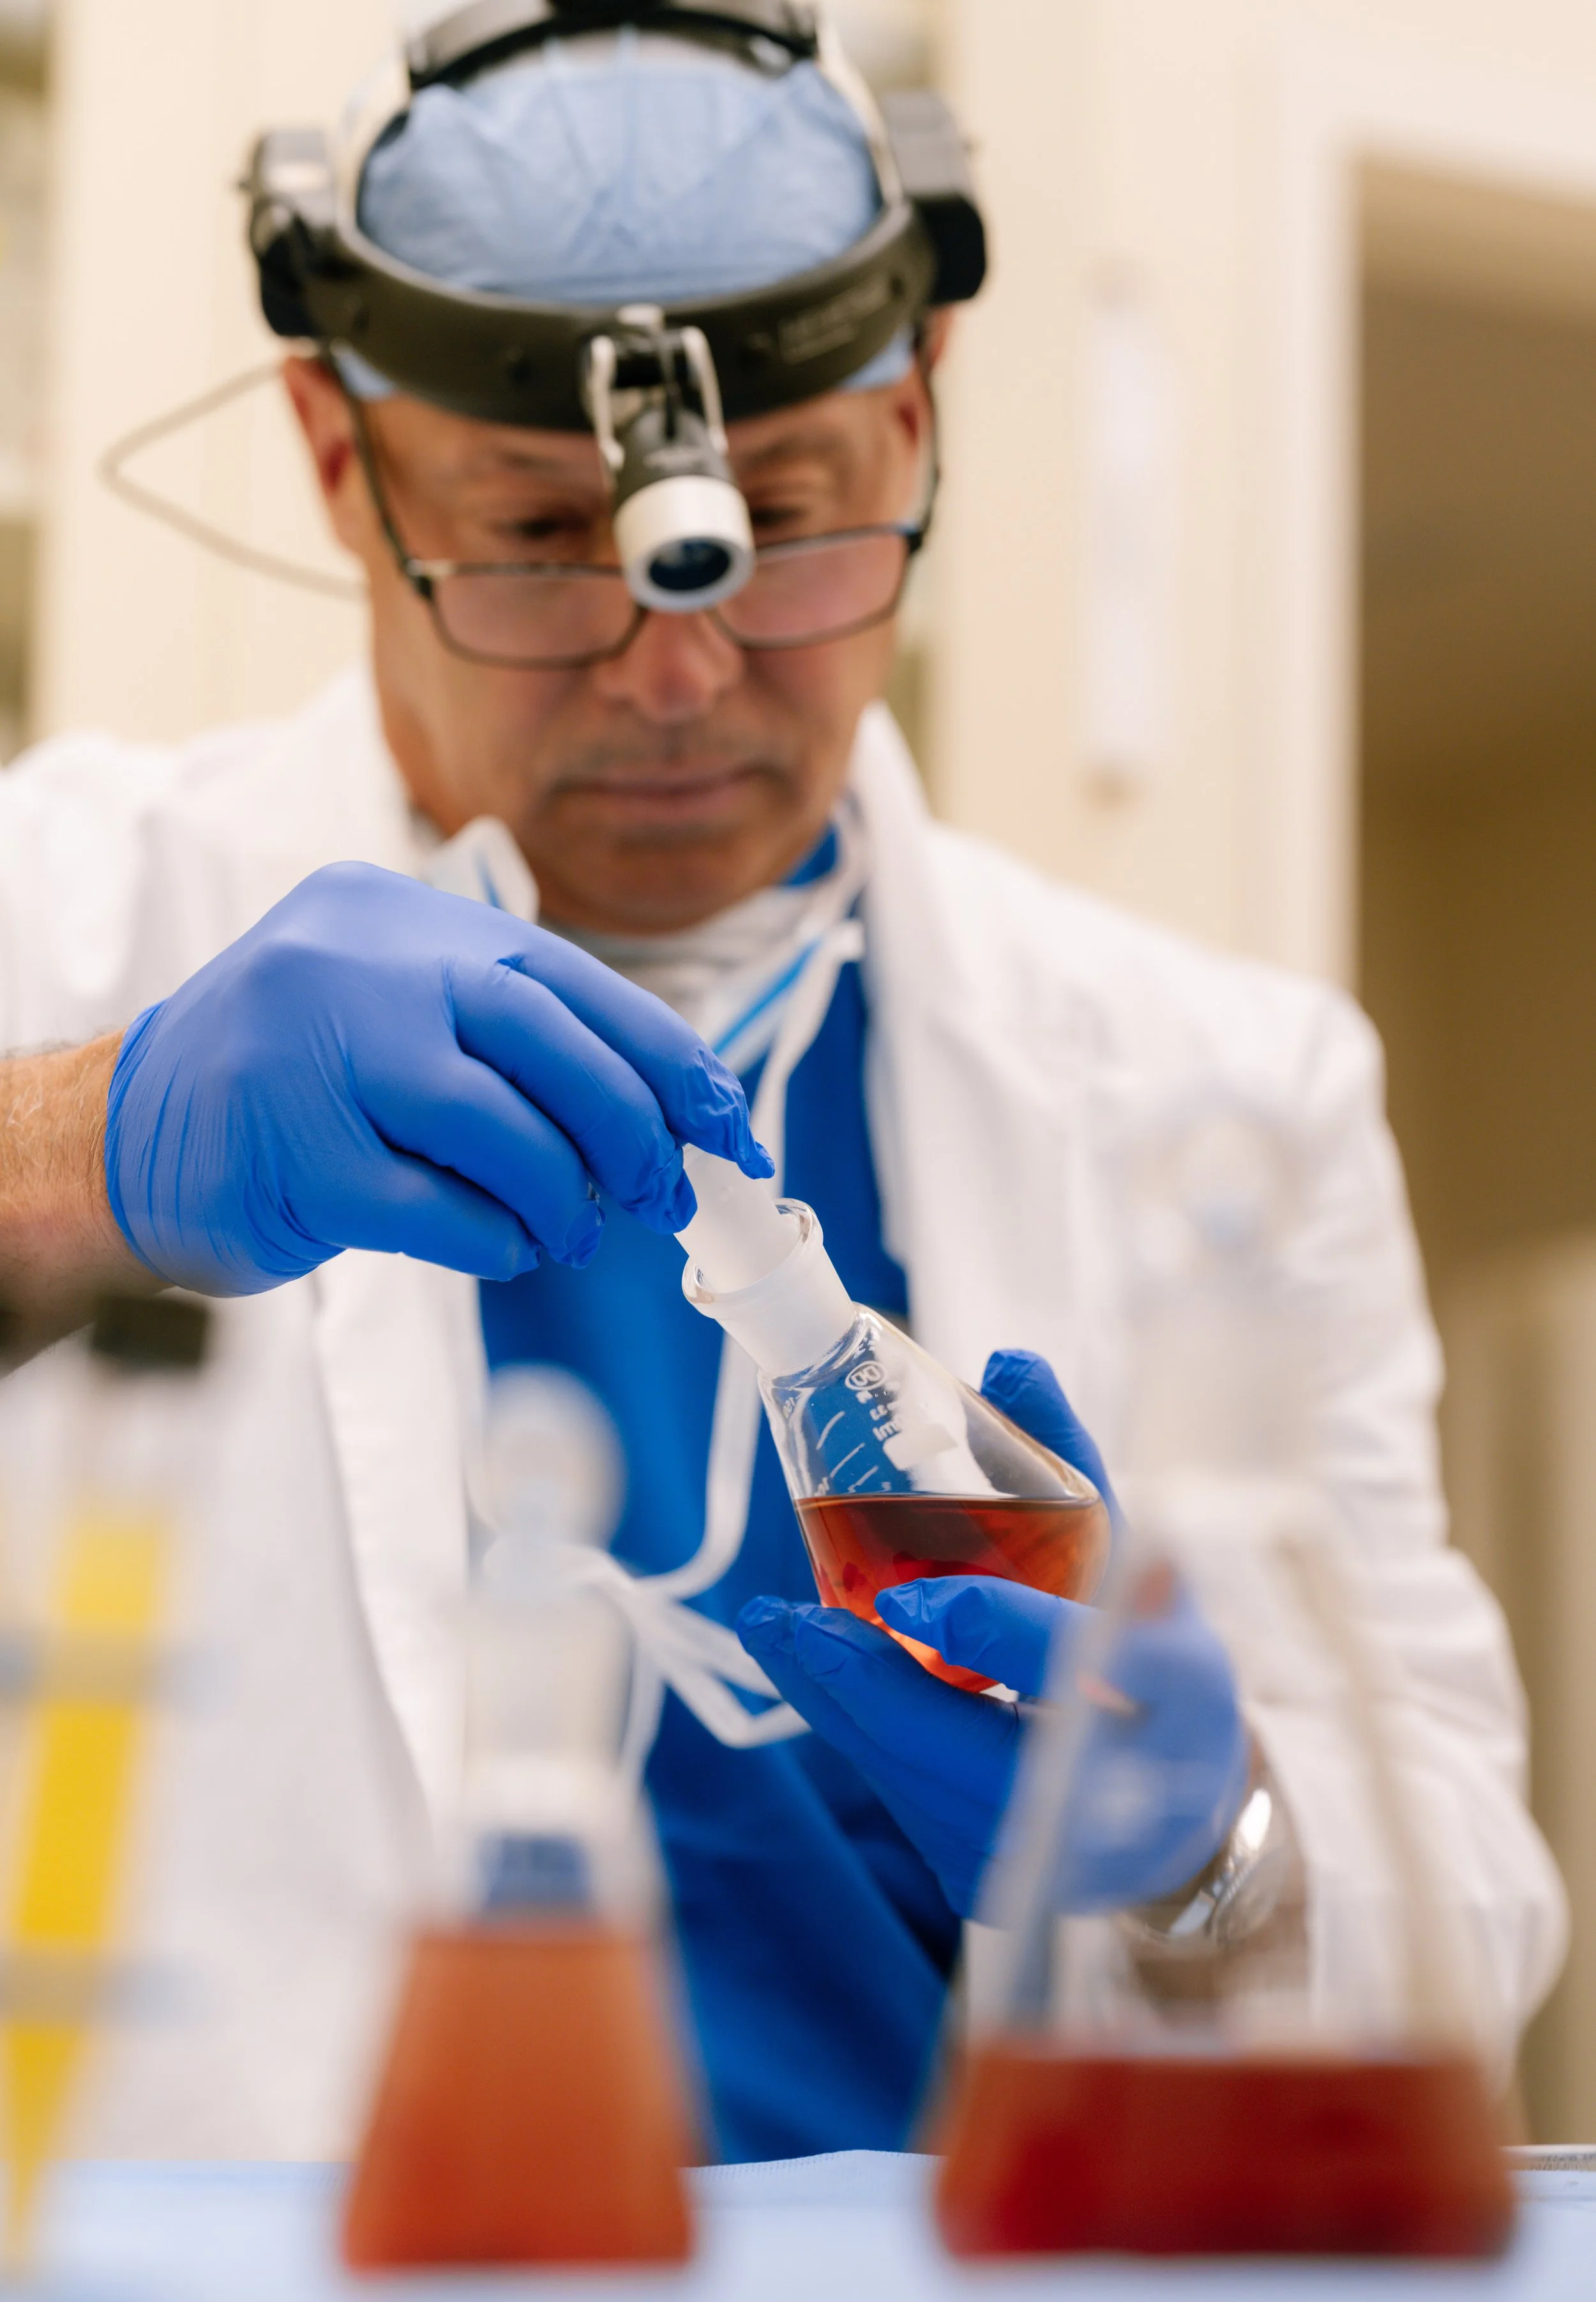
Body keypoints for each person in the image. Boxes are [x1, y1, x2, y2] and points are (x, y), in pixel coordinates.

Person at [0, 5, 1564, 2165]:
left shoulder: (1223, 1081)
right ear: (341, 460)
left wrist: (1206, 1849)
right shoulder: (66, 915)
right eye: (550, 537)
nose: (677, 665)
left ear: (918, 430)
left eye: (788, 526)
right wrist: (84, 1145)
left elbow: (1464, 1923)